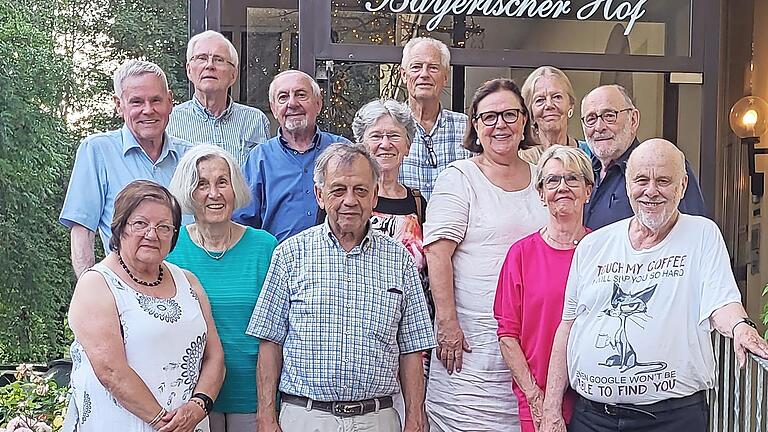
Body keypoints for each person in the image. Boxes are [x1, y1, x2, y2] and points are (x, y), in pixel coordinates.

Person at [540, 139, 768, 432]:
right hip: (591, 418)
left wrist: (740, 327)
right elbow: (568, 327)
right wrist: (551, 411)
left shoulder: (701, 234)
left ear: (682, 185)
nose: (651, 191)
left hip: (670, 419)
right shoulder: (593, 245)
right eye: (641, 180)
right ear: (626, 184)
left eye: (663, 180)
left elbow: (721, 301)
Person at [248, 142, 436, 432]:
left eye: (360, 190)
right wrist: (266, 417)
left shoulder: (400, 260)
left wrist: (414, 417)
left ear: (374, 196)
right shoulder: (290, 254)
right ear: (320, 195)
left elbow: (411, 349)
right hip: (305, 417)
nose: (350, 200)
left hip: (378, 418)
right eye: (338, 190)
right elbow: (270, 343)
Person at [423, 78, 549, 431]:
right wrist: (447, 323)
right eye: (489, 117)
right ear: (475, 126)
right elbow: (437, 254)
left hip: (531, 344)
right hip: (471, 347)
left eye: (510, 114)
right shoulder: (459, 177)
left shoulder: (544, 179)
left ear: (525, 120)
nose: (500, 125)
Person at [63, 180, 225, 432]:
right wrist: (165, 422)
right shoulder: (97, 284)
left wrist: (198, 406)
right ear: (120, 228)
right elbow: (111, 371)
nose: (152, 234)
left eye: (163, 227)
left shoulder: (188, 281)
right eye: (140, 224)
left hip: (190, 424)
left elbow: (214, 356)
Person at [166, 145, 278, 432]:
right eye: (202, 184)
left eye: (222, 182)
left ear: (235, 188)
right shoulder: (170, 250)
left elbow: (280, 329)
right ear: (188, 192)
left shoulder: (265, 247)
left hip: (254, 397)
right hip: (190, 398)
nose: (214, 194)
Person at [60, 60, 192, 278]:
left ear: (170, 101)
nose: (148, 110)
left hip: (185, 291)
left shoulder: (190, 157)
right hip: (125, 291)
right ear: (119, 105)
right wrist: (90, 291)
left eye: (156, 100)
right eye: (136, 102)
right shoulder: (98, 151)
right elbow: (83, 231)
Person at [494, 145, 594, 432]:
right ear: (540, 193)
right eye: (552, 180)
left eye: (573, 179)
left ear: (588, 190)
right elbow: (507, 336)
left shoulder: (603, 251)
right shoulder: (521, 255)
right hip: (536, 398)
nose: (563, 187)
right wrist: (537, 400)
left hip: (595, 402)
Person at [233, 70, 350, 242]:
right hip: (277, 264)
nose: (292, 103)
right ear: (274, 109)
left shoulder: (343, 151)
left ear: (318, 104)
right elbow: (242, 224)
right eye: (283, 97)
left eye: (301, 95)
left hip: (337, 263)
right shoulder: (260, 159)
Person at [580, 84, 706, 230]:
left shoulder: (665, 166)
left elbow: (691, 233)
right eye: (591, 119)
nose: (599, 127)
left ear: (633, 120)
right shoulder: (583, 172)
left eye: (609, 116)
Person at [167, 31, 270, 165]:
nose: (209, 65)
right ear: (189, 70)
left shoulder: (255, 121)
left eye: (219, 60)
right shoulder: (170, 122)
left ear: (233, 74)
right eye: (202, 58)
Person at [399, 37, 472, 199]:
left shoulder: (468, 128)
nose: (424, 74)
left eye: (433, 68)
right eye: (416, 67)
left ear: (445, 77)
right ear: (403, 75)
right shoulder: (390, 129)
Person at [519, 66, 591, 164]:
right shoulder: (521, 160)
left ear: (571, 105)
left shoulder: (591, 154)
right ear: (530, 111)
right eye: (540, 100)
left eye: (557, 97)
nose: (549, 105)